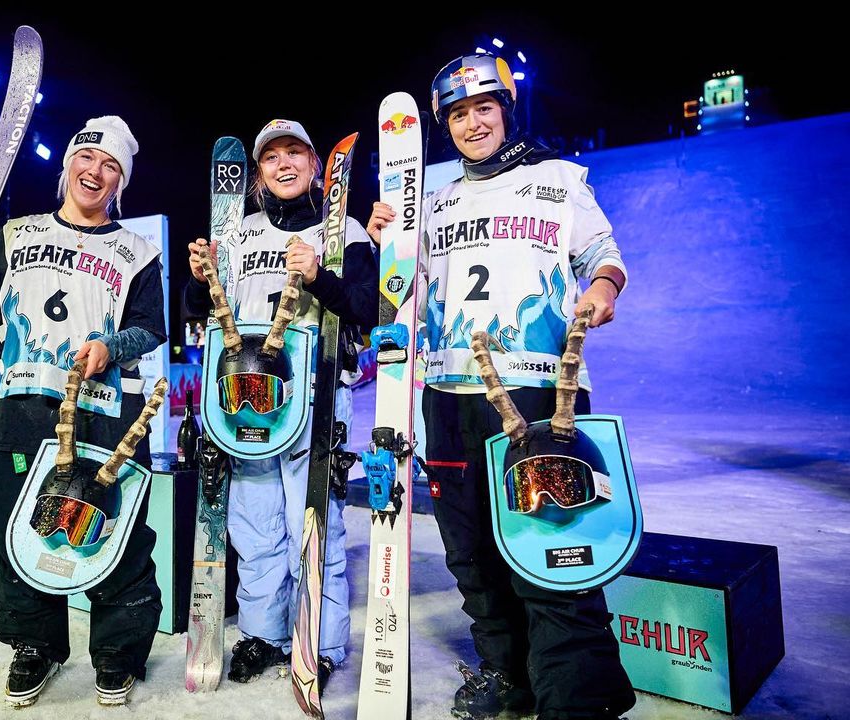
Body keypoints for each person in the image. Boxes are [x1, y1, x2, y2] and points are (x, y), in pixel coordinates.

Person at [366, 54, 635, 720]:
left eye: (484, 108)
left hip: (540, 393)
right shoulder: (431, 200)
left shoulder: (557, 178)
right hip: (449, 396)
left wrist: (603, 290)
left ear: (505, 111)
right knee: (471, 554)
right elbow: (403, 290)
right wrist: (386, 243)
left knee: (553, 541)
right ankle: (507, 672)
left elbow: (603, 254)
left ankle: (577, 699)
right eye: (458, 114)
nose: (473, 123)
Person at [0, 116, 166, 708]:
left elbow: (152, 326)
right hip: (23, 407)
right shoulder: (16, 234)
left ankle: (118, 652)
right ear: (68, 165)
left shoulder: (138, 252)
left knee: (115, 535)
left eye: (111, 166)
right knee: (18, 533)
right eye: (87, 157)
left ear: (121, 181)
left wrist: (113, 346)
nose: (95, 171)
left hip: (105, 411)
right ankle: (36, 645)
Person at [183, 119, 377, 689]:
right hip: (245, 399)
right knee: (253, 526)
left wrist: (318, 277)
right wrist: (198, 278)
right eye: (271, 157)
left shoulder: (344, 230)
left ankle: (322, 639)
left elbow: (370, 307)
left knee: (312, 525)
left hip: (314, 396)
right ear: (258, 172)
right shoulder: (237, 234)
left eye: (295, 153)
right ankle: (264, 634)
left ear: (315, 165)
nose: (284, 163)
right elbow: (200, 309)